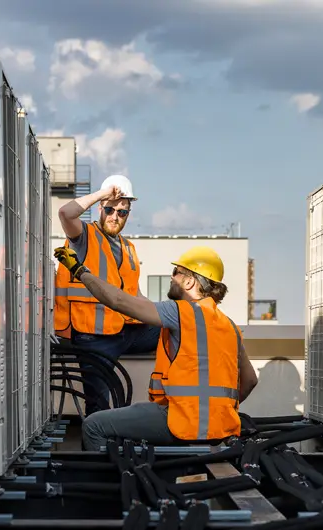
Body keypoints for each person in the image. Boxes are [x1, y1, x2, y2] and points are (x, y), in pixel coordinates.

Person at [53, 244, 259, 452]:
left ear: (189, 281)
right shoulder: (230, 326)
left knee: (93, 425)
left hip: (180, 422)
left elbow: (117, 300)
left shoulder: (181, 311)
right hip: (220, 426)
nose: (171, 278)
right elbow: (250, 380)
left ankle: (119, 481)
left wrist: (80, 271)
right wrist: (215, 411)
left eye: (175, 273)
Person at [53, 174, 161, 416]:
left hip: (126, 330)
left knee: (177, 327)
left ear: (128, 213)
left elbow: (136, 295)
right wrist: (103, 194)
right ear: (100, 208)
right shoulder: (84, 236)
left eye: (122, 212)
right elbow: (65, 213)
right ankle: (98, 449)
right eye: (110, 209)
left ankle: (166, 400)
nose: (115, 216)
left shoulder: (128, 248)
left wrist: (168, 313)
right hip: (93, 337)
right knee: (98, 405)